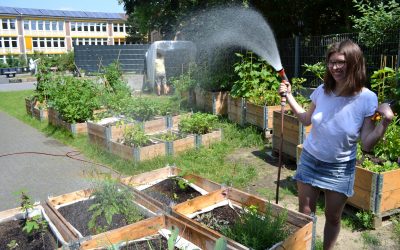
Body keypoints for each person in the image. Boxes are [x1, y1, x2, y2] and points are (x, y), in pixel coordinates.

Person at [278, 40, 394, 250]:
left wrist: (384, 124)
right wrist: (289, 95)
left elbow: (367, 144)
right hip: (311, 159)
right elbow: (306, 119)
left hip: (340, 168)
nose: (335, 67)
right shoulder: (323, 90)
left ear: (355, 64)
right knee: (304, 213)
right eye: (332, 62)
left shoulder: (367, 98)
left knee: (332, 217)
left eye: (341, 62)